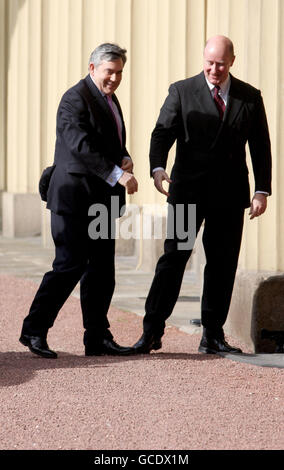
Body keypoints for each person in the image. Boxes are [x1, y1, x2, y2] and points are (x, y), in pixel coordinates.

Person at [132, 35, 272, 355]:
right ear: (203, 60)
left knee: (222, 264)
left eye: (220, 63)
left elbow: (261, 147)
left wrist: (261, 190)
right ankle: (152, 330)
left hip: (230, 195)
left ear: (232, 61)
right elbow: (162, 133)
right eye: (209, 62)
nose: (214, 69)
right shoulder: (181, 91)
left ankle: (212, 334)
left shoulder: (250, 97)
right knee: (173, 260)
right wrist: (157, 168)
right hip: (186, 194)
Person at [20, 43, 138, 358]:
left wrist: (124, 158)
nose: (114, 78)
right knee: (68, 267)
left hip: (100, 202)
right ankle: (34, 330)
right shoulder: (74, 99)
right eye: (109, 71)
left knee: (102, 271)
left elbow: (108, 142)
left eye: (119, 72)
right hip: (73, 198)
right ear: (92, 68)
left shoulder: (111, 100)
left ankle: (97, 337)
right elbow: (80, 146)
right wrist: (117, 174)